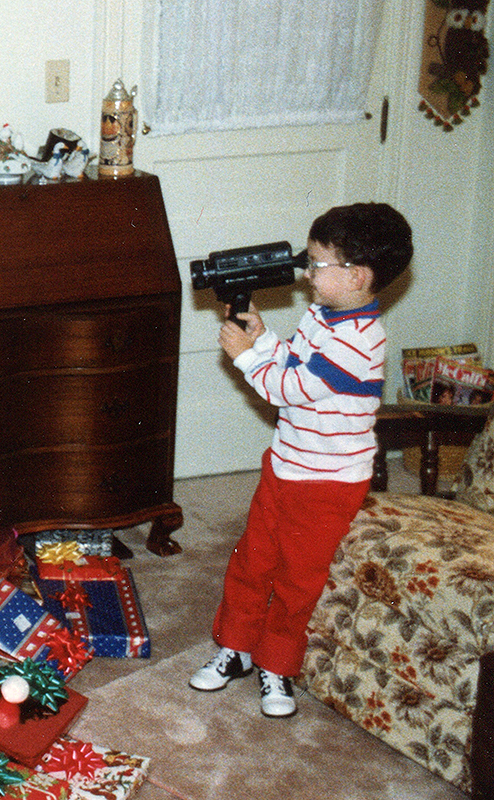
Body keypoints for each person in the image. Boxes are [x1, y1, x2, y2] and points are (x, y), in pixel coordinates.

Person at [188, 202, 413, 718]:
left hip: (328, 482)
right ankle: (237, 648)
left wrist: (244, 355)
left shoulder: (360, 341)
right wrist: (264, 338)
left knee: (297, 578)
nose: (305, 273)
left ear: (356, 276)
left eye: (315, 264)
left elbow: (287, 389)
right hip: (287, 463)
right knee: (253, 559)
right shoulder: (325, 315)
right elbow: (292, 359)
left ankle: (277, 665)